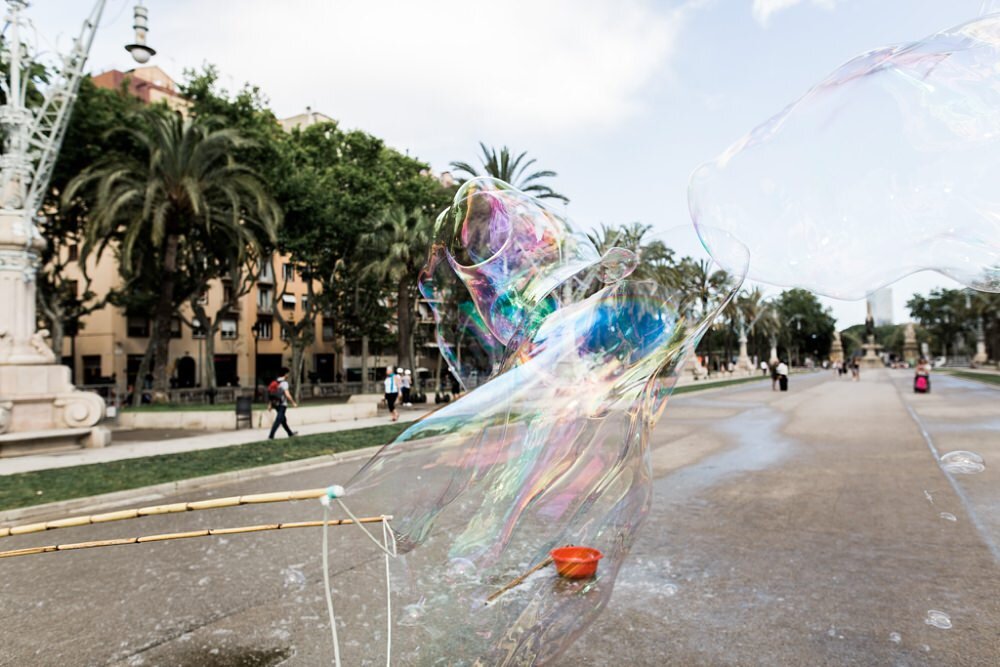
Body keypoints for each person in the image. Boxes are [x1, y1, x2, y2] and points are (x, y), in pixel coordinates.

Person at [267, 367, 298, 439]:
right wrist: (293, 402)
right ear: (286, 374)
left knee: (283, 420)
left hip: (275, 404)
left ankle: (290, 433)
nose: (288, 375)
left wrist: (270, 404)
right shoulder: (284, 383)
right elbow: (287, 395)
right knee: (279, 420)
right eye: (288, 374)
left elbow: (272, 394)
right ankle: (271, 435)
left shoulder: (275, 381)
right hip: (282, 404)